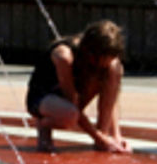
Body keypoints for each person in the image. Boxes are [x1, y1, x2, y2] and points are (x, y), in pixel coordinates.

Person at [24, 20, 127, 153]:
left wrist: (116, 136)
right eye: (99, 63)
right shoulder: (64, 56)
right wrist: (99, 138)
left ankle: (104, 131)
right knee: (69, 115)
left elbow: (111, 97)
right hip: (43, 98)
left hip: (72, 100)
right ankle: (43, 125)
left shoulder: (104, 63)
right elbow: (73, 104)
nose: (100, 68)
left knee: (115, 69)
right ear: (90, 54)